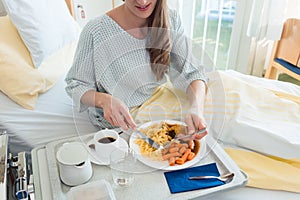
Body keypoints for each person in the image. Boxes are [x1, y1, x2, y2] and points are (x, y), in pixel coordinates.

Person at [65, 0, 208, 140]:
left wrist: (196, 108)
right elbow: (76, 85)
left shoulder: (171, 19)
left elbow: (192, 73)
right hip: (122, 116)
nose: (142, 1)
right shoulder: (96, 31)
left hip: (156, 96)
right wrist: (104, 100)